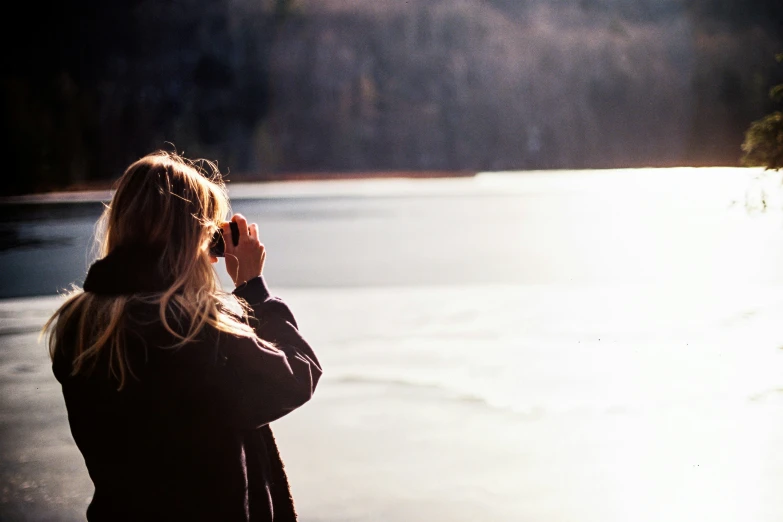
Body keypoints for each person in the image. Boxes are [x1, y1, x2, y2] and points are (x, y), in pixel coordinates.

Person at [43, 151, 322, 522]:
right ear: (188, 239)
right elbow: (296, 376)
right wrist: (253, 289)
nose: (211, 259)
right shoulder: (190, 333)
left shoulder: (81, 324)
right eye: (209, 239)